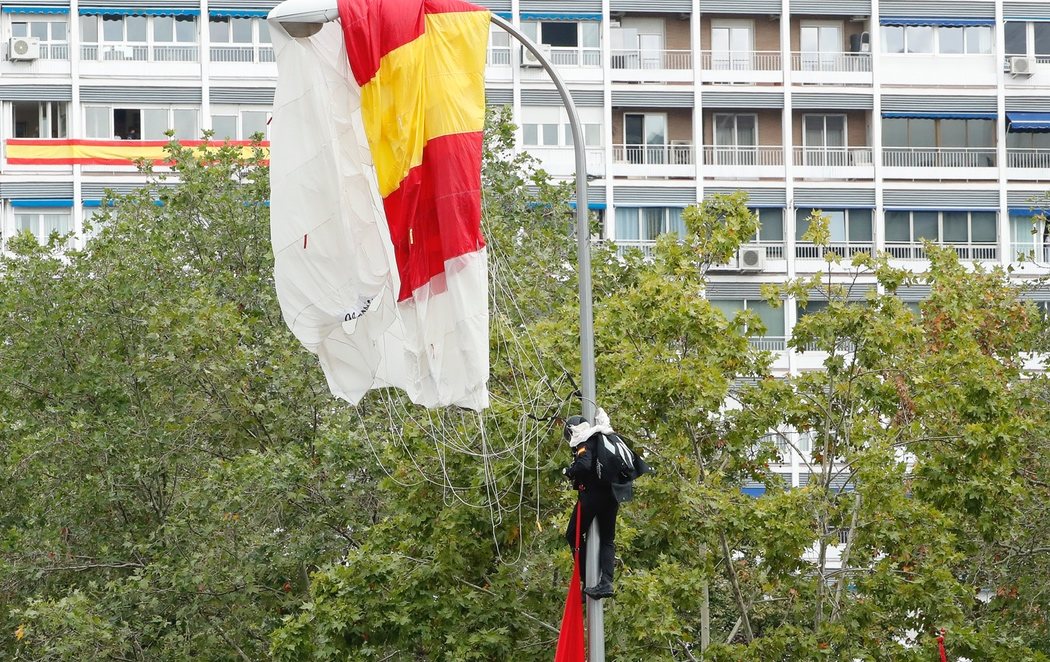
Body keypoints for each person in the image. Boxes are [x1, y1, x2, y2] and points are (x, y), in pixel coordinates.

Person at [563, 410, 623, 600]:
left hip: (593, 494)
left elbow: (584, 465)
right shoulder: (604, 438)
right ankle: (606, 582)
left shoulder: (585, 441)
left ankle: (586, 578)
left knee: (573, 534)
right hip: (613, 493)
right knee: (607, 539)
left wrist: (569, 470)